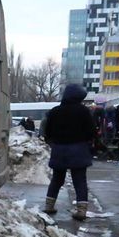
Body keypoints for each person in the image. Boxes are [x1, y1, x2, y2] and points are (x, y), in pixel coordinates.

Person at [42, 84, 95, 221]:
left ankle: (49, 206)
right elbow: (91, 131)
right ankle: (81, 210)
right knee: (79, 180)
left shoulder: (55, 111)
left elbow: (47, 132)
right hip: (78, 149)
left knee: (57, 179)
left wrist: (54, 143)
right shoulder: (83, 111)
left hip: (59, 149)